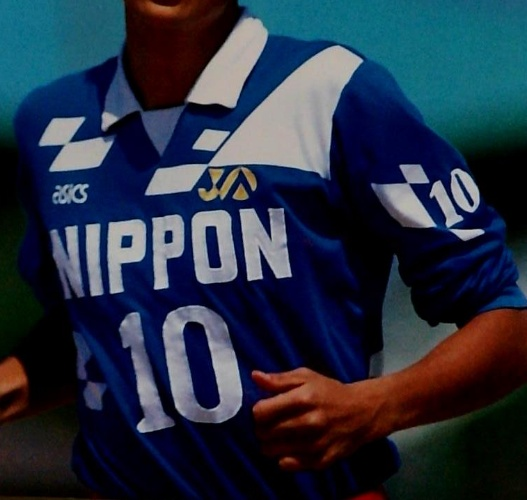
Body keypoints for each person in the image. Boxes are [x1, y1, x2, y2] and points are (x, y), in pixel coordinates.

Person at [1, 0, 527, 498]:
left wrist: (375, 406)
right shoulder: (50, 124)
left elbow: (508, 324)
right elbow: (100, 329)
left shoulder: (331, 91)